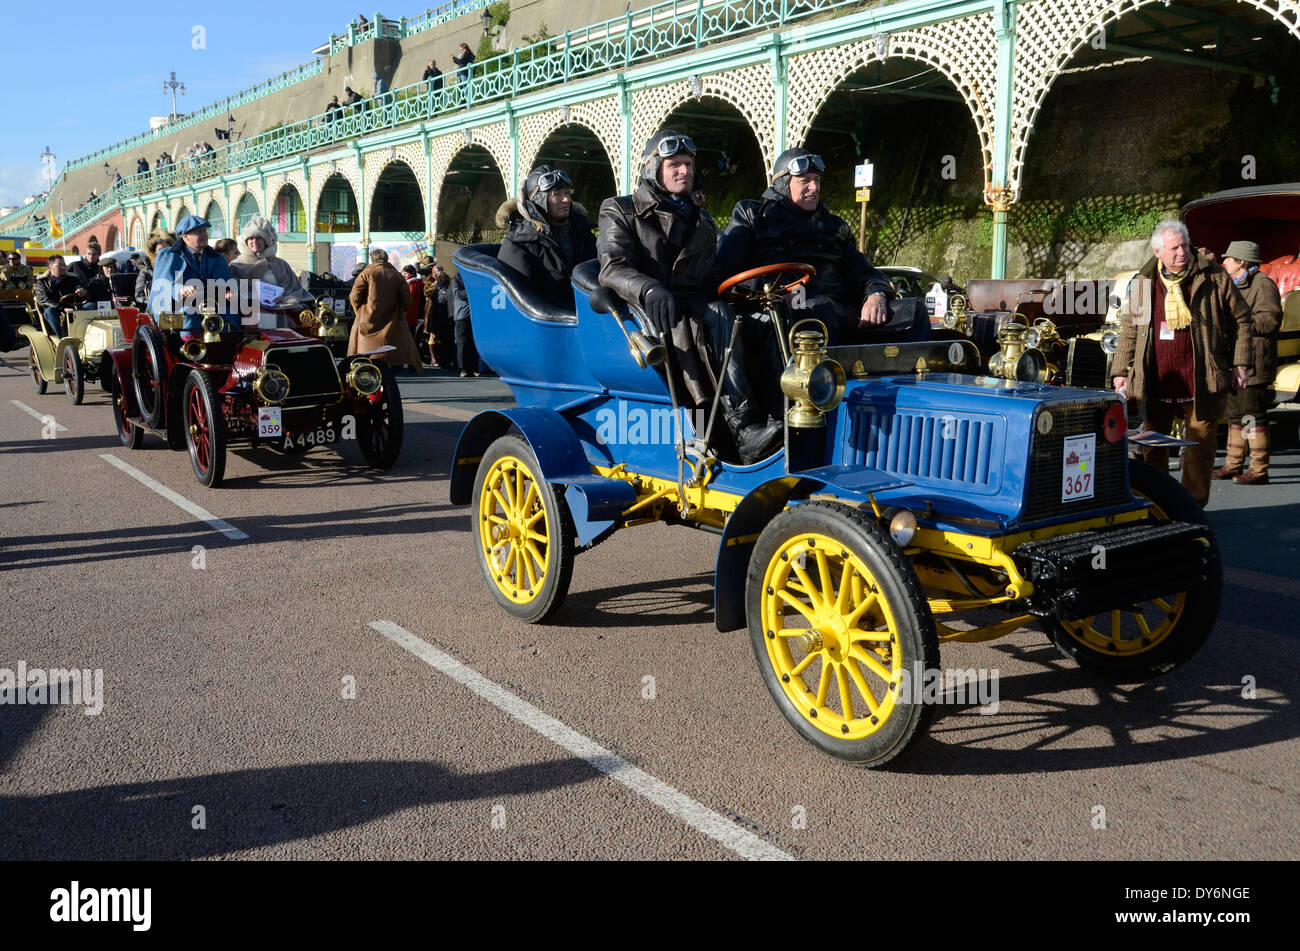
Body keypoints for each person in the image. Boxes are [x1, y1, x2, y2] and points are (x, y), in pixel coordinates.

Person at [597, 129, 781, 463]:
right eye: (675, 165)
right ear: (654, 169)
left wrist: (750, 289)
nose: (684, 171)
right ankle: (740, 429)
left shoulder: (702, 219)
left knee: (766, 321)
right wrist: (649, 288)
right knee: (716, 315)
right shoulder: (619, 210)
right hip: (649, 312)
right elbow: (611, 268)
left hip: (693, 306)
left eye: (688, 164)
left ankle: (781, 411)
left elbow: (710, 274)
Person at [1112, 220, 1253, 507]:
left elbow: (1242, 319)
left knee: (1199, 448)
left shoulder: (1214, 277)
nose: (1182, 252)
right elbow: (1129, 327)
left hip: (1201, 379)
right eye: (1174, 248)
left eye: (1185, 245)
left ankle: (1192, 508)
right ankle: (1159, 505)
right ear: (1158, 251)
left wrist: (1240, 363)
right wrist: (1120, 371)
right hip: (1156, 380)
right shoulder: (1143, 283)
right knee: (1153, 449)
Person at [715, 147, 894, 343]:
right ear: (784, 184)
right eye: (805, 181)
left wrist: (876, 294)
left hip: (835, 310)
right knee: (819, 310)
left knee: (912, 313)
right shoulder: (753, 216)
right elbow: (725, 270)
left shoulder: (835, 227)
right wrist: (772, 290)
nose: (814, 187)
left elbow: (864, 270)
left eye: (816, 180)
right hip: (776, 310)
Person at [1212, 240, 1282, 486]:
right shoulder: (1234, 284)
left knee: (1253, 415)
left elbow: (1270, 321)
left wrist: (1240, 321)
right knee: (1235, 415)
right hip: (1236, 361)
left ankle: (1258, 468)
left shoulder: (1262, 284)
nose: (1224, 262)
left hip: (1254, 361)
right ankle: (1233, 463)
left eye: (1229, 259)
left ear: (1241, 262)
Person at [496, 165, 597, 307]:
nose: (565, 199)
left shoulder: (583, 233)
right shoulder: (520, 242)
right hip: (552, 322)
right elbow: (523, 302)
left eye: (567, 193)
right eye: (557, 194)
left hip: (590, 315)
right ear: (538, 199)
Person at [149, 215, 236, 332]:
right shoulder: (168, 255)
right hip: (174, 308)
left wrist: (229, 292)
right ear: (185, 237)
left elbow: (227, 284)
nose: (204, 234)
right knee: (188, 314)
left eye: (205, 230)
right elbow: (161, 287)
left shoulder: (218, 258)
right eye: (198, 232)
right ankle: (191, 347)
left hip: (211, 305)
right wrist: (180, 290)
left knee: (232, 314)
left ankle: (227, 347)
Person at [348, 249, 423, 373]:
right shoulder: (397, 276)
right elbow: (407, 300)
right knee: (391, 356)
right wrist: (400, 310)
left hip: (368, 321)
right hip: (392, 322)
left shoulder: (366, 274)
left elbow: (355, 296)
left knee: (366, 360)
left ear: (372, 259)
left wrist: (360, 312)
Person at [229, 215, 314, 309]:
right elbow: (233, 291)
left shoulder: (281, 264)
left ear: (267, 241)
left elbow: (295, 288)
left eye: (259, 238)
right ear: (246, 242)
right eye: (251, 238)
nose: (254, 241)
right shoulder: (236, 265)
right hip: (252, 311)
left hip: (284, 309)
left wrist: (285, 298)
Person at [33, 255, 87, 335]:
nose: (63, 268)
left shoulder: (73, 278)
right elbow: (44, 300)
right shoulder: (42, 282)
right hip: (56, 310)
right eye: (59, 265)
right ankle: (63, 338)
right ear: (50, 267)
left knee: (91, 306)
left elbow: (79, 286)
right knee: (49, 311)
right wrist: (62, 308)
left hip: (74, 307)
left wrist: (81, 290)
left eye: (64, 265)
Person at [135, 229, 177, 309]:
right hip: (156, 312)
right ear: (153, 253)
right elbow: (139, 296)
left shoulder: (179, 268)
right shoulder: (146, 272)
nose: (165, 254)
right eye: (161, 251)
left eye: (168, 250)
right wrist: (155, 302)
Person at [424, 264, 454, 368]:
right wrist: (434, 285)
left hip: (445, 312)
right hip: (432, 312)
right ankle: (433, 358)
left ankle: (442, 358)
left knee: (443, 336)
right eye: (437, 272)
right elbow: (426, 293)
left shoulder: (446, 280)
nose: (438, 274)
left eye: (440, 271)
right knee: (433, 335)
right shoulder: (429, 281)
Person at [451, 271, 478, 377]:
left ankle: (473, 368)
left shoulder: (473, 276)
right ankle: (463, 369)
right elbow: (459, 294)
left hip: (474, 315)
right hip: (462, 315)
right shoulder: (457, 277)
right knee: (462, 343)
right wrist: (472, 291)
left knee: (473, 342)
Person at [402, 264, 422, 334]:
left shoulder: (411, 284)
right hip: (413, 313)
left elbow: (408, 298)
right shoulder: (417, 282)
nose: (404, 276)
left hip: (408, 313)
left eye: (405, 274)